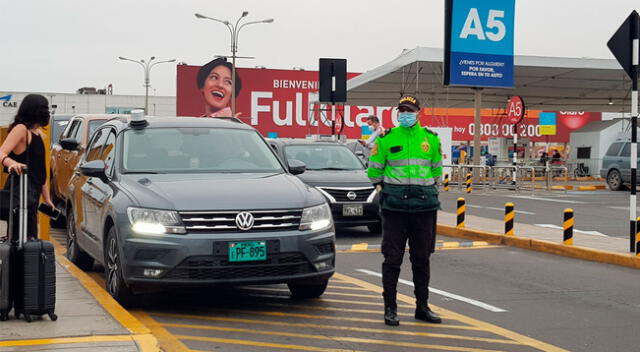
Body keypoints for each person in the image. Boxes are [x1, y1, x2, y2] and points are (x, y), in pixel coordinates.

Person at [367, 95, 442, 326]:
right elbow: (374, 171)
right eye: (402, 111)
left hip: (423, 209)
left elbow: (436, 172)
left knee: (422, 259)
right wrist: (383, 190)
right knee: (392, 259)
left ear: (418, 112)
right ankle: (390, 308)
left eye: (409, 110)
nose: (405, 114)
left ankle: (422, 307)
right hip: (395, 209)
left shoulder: (430, 139)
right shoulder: (386, 138)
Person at [0, 94, 54, 239]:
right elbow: (1, 152)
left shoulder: (39, 133)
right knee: (18, 238)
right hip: (20, 192)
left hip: (32, 196)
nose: (46, 112)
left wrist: (47, 198)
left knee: (30, 239)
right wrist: (12, 163)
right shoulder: (21, 129)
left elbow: (40, 170)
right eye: (43, 108)